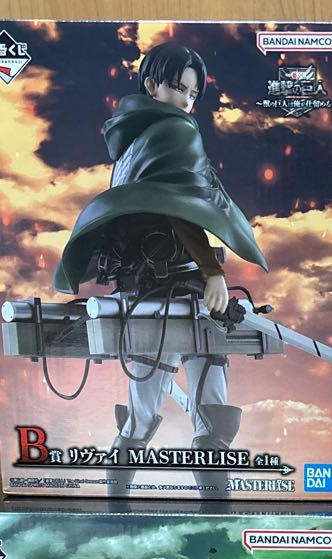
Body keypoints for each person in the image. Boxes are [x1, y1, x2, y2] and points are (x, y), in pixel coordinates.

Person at [54, 42, 267, 496]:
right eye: (178, 88)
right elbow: (180, 209)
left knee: (151, 413)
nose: (187, 101)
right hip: (176, 291)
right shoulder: (172, 133)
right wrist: (211, 271)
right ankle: (188, 504)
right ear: (152, 85)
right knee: (199, 408)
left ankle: (129, 502)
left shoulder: (133, 139)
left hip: (152, 293)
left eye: (192, 93)